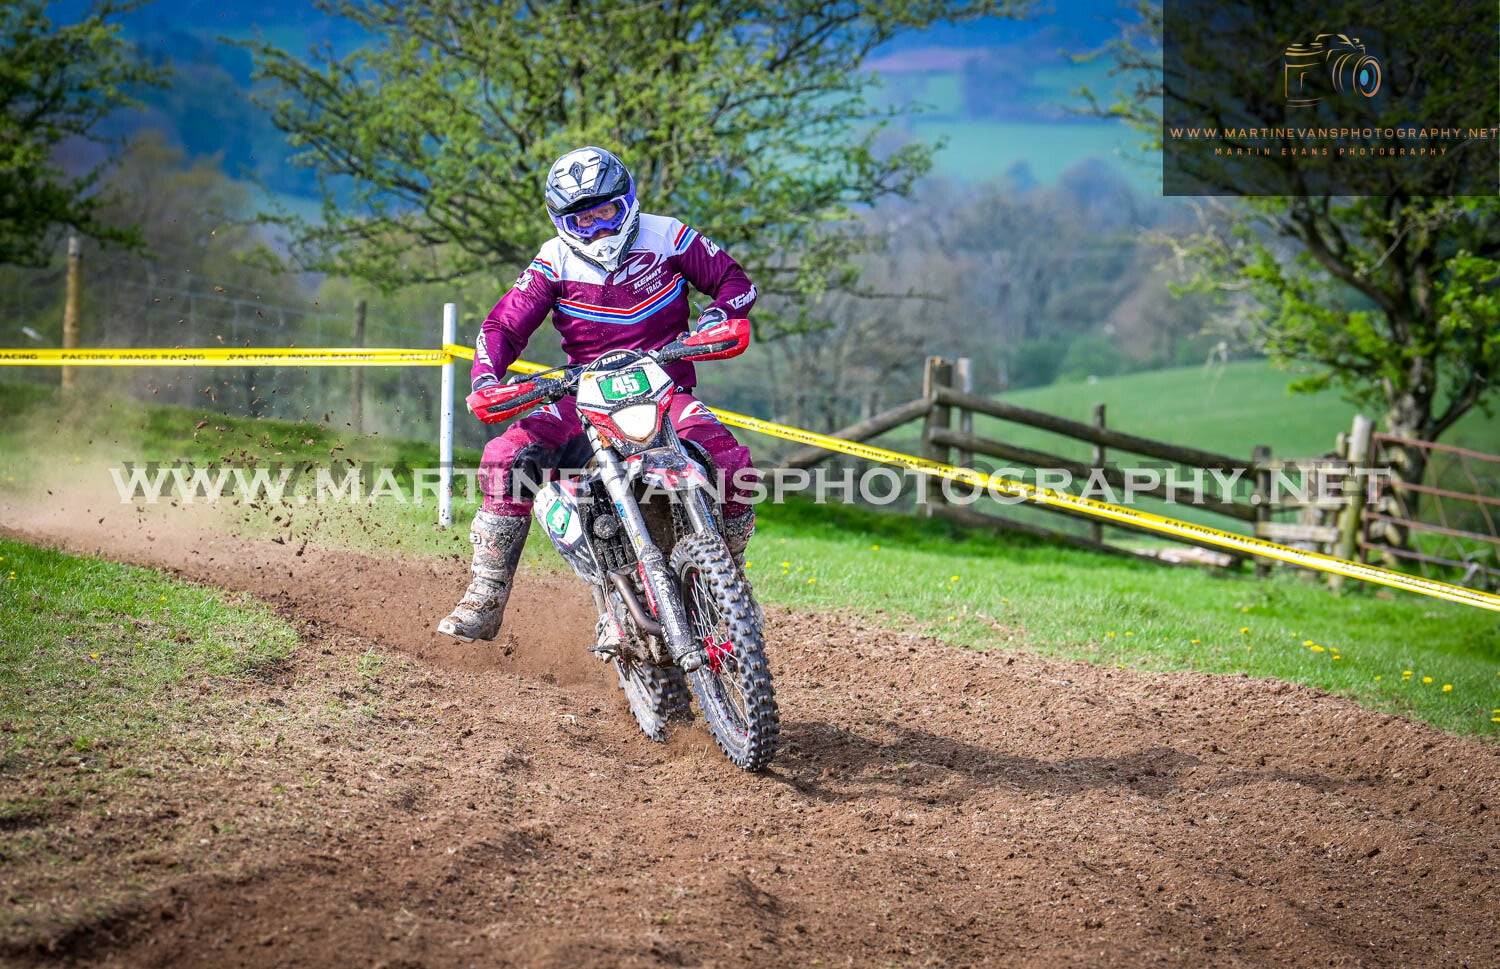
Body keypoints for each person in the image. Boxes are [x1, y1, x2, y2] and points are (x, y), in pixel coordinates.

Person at [439, 146, 760, 644]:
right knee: (506, 455)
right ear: (562, 221)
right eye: (582, 219)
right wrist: (486, 378)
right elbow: (503, 325)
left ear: (627, 201)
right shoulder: (553, 259)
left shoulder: (668, 235)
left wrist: (719, 316)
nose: (599, 228)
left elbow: (734, 282)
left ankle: (729, 580)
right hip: (582, 391)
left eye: (607, 211)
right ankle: (485, 595)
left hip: (664, 386)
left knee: (730, 459)